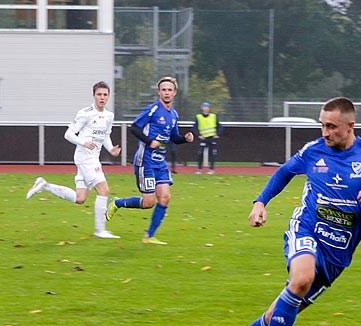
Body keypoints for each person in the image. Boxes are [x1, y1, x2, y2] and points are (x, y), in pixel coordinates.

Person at [200, 96, 361, 326]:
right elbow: (284, 172)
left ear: (351, 126)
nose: (325, 132)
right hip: (306, 229)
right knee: (301, 280)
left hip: (337, 254)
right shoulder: (313, 151)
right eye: (323, 125)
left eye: (332, 126)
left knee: (276, 315)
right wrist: (260, 202)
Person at [25, 81, 124, 238]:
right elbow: (68, 134)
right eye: (99, 94)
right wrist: (83, 142)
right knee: (104, 190)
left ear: (108, 96)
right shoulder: (85, 113)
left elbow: (105, 135)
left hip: (93, 159)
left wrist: (111, 149)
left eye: (105, 94)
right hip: (85, 158)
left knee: (80, 198)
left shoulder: (109, 115)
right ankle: (100, 230)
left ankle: (45, 185)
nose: (102, 97)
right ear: (94, 95)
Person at [111, 76, 195, 244]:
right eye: (163, 90)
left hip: (160, 163)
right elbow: (134, 127)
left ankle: (149, 236)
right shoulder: (153, 110)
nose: (167, 93)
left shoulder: (174, 115)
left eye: (170, 90)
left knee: (165, 197)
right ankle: (118, 203)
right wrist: (150, 141)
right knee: (149, 202)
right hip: (146, 161)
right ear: (159, 92)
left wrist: (185, 138)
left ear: (175, 93)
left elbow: (174, 138)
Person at [194, 101, 221, 173]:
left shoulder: (213, 116)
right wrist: (198, 135)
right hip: (203, 138)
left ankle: (211, 169)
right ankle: (199, 169)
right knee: (200, 153)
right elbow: (194, 127)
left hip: (212, 138)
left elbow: (220, 126)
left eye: (207, 107)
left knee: (213, 154)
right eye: (204, 107)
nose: (206, 109)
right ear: (202, 109)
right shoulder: (198, 117)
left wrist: (218, 134)